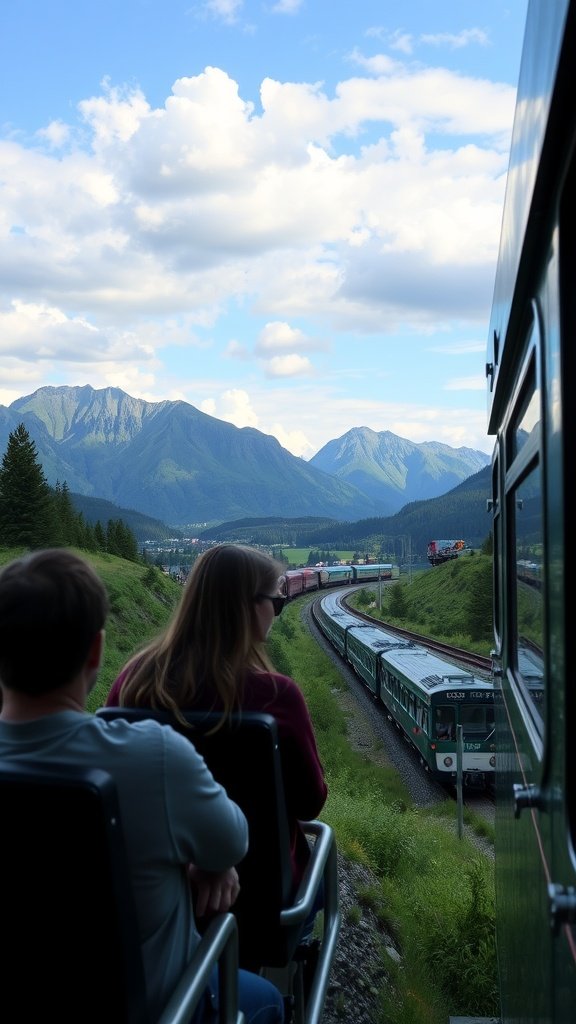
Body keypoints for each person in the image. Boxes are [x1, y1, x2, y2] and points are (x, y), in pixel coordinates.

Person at [0, 548, 283, 1024]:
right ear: (95, 650)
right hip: (158, 1005)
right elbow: (231, 841)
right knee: (265, 1001)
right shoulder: (154, 756)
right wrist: (206, 864)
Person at [106, 543, 328, 913]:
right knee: (318, 889)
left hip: (156, 887)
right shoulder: (277, 695)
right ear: (247, 607)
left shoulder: (134, 682)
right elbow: (311, 802)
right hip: (261, 893)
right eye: (275, 602)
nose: (277, 611)